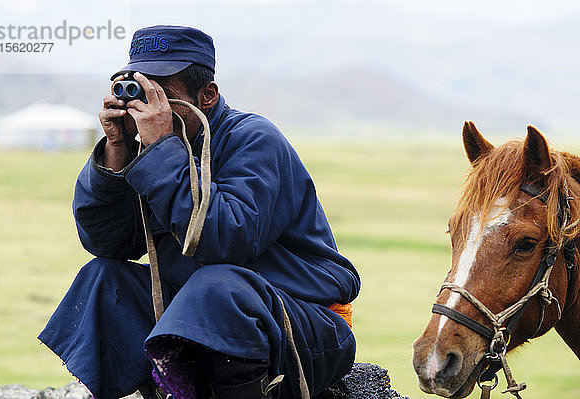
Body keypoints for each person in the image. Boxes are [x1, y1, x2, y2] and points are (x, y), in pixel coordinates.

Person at [39, 25, 360, 399]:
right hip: (205, 320)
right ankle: (165, 388)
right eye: (141, 92)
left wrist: (161, 151)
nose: (148, 109)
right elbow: (106, 243)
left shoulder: (254, 139)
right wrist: (117, 152)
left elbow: (225, 242)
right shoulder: (152, 153)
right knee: (104, 278)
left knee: (217, 283)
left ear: (207, 95)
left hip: (301, 328)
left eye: (163, 95)